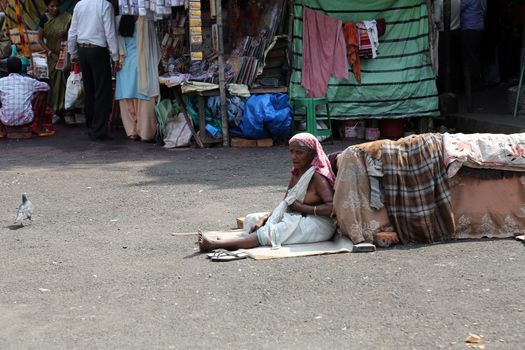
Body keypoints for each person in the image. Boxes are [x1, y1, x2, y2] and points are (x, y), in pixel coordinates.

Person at [198, 132, 337, 253]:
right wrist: (264, 218)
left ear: (312, 154)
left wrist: (302, 208)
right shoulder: (297, 172)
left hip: (318, 224)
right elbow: (285, 203)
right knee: (253, 219)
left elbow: (331, 208)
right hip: (297, 215)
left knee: (268, 233)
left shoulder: (317, 176)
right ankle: (237, 240)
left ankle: (214, 245)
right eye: (291, 151)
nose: (294, 157)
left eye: (299, 152)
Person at [67, 0, 118, 141]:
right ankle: (99, 130)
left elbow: (73, 31)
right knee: (102, 91)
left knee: (89, 90)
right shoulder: (104, 5)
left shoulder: (79, 5)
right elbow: (110, 32)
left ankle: (91, 126)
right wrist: (115, 55)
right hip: (98, 51)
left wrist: (73, 53)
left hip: (83, 50)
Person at [115, 15, 159, 142]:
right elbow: (154, 45)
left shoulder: (119, 21)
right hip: (142, 65)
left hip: (124, 65)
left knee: (127, 98)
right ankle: (145, 133)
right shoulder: (145, 21)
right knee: (144, 98)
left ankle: (132, 132)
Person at [37, 0, 71, 124]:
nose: (55, 8)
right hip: (52, 55)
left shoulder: (66, 17)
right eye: (52, 6)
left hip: (64, 53)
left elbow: (74, 34)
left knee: (65, 79)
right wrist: (50, 53)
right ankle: (55, 110)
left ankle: (65, 111)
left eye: (57, 6)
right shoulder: (44, 19)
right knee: (55, 82)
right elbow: (39, 39)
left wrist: (66, 33)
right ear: (47, 7)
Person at [0, 56, 49, 127]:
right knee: (43, 93)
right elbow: (46, 86)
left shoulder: (1, 81)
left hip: (5, 119)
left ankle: (1, 130)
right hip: (27, 119)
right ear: (21, 69)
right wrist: (33, 96)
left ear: (7, 70)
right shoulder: (28, 81)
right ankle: (39, 127)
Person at [460, 0, 487, 90]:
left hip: (469, 27)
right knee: (476, 55)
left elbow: (458, 8)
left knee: (470, 56)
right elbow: (484, 10)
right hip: (479, 26)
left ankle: (474, 83)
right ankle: (479, 80)